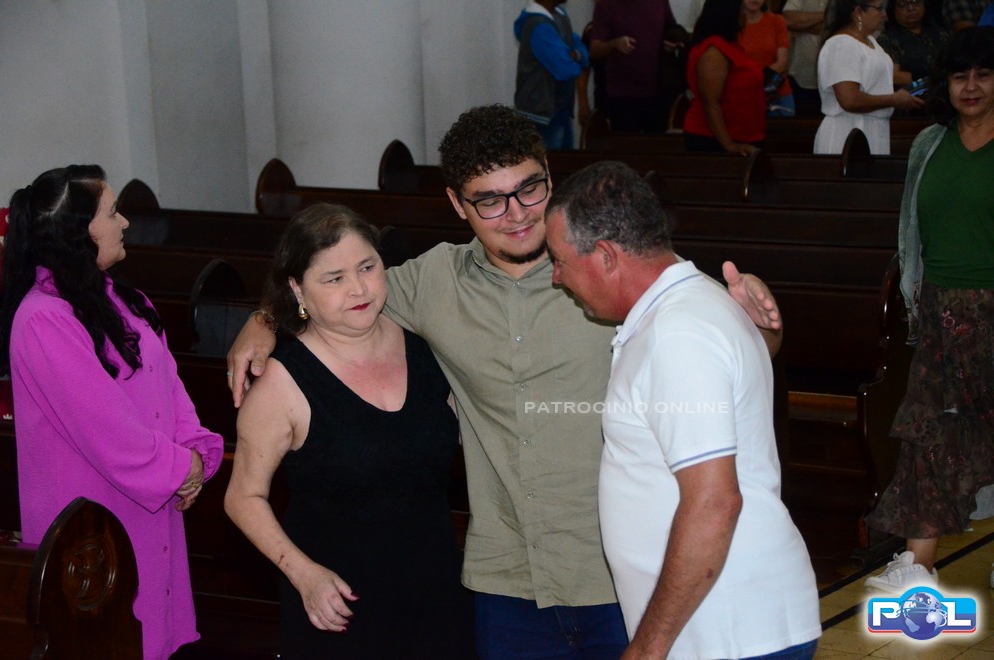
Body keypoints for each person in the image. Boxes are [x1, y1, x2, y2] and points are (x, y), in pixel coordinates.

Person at [227, 104, 784, 659]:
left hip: (619, 574)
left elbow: (732, 340)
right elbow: (333, 291)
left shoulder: (609, 269)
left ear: (549, 176)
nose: (516, 214)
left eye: (529, 189)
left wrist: (759, 318)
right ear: (457, 204)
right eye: (490, 201)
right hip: (505, 584)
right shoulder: (428, 282)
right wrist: (265, 320)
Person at [544, 160, 821, 659]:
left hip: (727, 634)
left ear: (605, 256)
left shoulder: (677, 332)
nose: (556, 277)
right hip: (723, 628)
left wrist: (648, 648)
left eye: (560, 260)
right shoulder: (688, 307)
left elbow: (714, 502)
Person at [223, 204, 472, 658]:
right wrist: (303, 574)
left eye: (367, 267)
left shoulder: (425, 348)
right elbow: (243, 497)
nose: (358, 288)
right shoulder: (281, 382)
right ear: (298, 289)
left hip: (436, 590)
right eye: (334, 278)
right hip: (337, 601)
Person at [0, 165, 224, 659]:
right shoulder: (42, 319)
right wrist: (183, 468)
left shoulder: (125, 299)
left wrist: (194, 449)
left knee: (154, 639)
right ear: (78, 231)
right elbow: (108, 433)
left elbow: (170, 386)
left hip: (151, 503)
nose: (124, 223)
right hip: (94, 523)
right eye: (113, 212)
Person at [863, 26, 994, 593]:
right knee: (927, 434)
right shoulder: (929, 144)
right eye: (959, 75)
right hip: (941, 312)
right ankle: (918, 565)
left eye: (984, 74)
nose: (971, 86)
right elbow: (909, 230)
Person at [813, 0, 926, 154]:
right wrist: (893, 100)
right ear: (858, 12)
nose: (884, 15)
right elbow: (849, 100)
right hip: (849, 132)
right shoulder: (841, 44)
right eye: (879, 9)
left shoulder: (871, 41)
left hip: (873, 130)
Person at [590, 0, 688, 133]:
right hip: (623, 96)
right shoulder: (607, 4)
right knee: (626, 144)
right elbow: (594, 50)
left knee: (657, 144)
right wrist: (614, 44)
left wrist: (673, 42)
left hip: (658, 94)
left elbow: (671, 29)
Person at [683, 0, 768, 154]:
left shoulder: (730, 46)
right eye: (741, 10)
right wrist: (729, 145)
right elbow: (710, 102)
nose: (745, 15)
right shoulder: (714, 51)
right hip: (714, 139)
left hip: (744, 134)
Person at [514, 0, 590, 150]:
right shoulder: (537, 25)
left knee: (565, 162)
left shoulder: (559, 15)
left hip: (560, 110)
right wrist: (574, 57)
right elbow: (565, 69)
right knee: (550, 163)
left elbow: (584, 53)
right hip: (540, 116)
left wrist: (575, 55)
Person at [740, 0, 797, 116]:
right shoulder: (733, 25)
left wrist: (759, 82)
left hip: (778, 93)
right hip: (744, 93)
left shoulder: (776, 21)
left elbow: (782, 62)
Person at [877, 0, 950, 87]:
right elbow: (893, 75)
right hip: (911, 92)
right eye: (903, 4)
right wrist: (930, 79)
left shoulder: (939, 33)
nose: (911, 8)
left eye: (915, 2)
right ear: (894, 10)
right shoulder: (887, 39)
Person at [783, 0, 829, 115]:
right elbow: (789, 20)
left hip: (835, 80)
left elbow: (849, 26)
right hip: (800, 76)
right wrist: (830, 14)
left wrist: (803, 25)